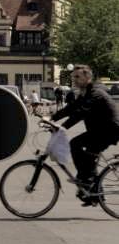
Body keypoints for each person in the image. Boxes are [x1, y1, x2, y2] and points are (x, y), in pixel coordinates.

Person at [48, 65, 119, 205]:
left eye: (77, 77)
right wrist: (52, 119)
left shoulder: (96, 93)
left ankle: (85, 181)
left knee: (76, 145)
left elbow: (81, 113)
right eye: (73, 77)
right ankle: (93, 192)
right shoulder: (85, 92)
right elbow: (72, 108)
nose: (74, 80)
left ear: (87, 77)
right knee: (88, 158)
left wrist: (62, 127)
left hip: (109, 130)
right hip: (99, 130)